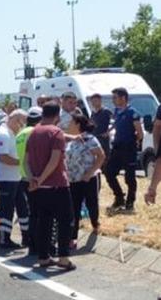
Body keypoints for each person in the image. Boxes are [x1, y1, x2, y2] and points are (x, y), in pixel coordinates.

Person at [26, 102, 75, 270]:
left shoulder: (33, 133)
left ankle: (43, 256)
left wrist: (33, 178)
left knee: (44, 222)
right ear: (57, 116)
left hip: (39, 188)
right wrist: (41, 179)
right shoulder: (56, 133)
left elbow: (26, 160)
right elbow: (54, 161)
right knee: (65, 221)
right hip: (57, 185)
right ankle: (63, 257)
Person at [65, 113, 105, 248]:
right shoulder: (70, 140)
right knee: (73, 209)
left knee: (91, 203)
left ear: (77, 124)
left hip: (88, 179)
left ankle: (95, 223)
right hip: (73, 179)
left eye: (71, 122)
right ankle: (72, 237)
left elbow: (101, 156)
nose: (68, 125)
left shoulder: (90, 139)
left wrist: (90, 173)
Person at [0, 109, 29, 249]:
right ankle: (3, 239)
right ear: (15, 120)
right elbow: (3, 157)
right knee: (7, 210)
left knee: (22, 207)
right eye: (21, 123)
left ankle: (27, 236)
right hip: (5, 178)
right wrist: (23, 163)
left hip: (14, 177)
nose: (22, 127)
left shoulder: (10, 133)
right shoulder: (3, 134)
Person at [104, 87, 143, 211]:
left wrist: (133, 142)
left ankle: (130, 203)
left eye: (115, 97)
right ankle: (119, 197)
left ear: (123, 98)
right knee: (109, 172)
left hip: (128, 148)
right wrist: (109, 131)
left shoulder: (133, 113)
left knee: (129, 177)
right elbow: (116, 123)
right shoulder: (117, 111)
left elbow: (140, 133)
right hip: (117, 147)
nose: (113, 100)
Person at [15, 107, 43, 252]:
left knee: (31, 211)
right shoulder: (34, 133)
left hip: (21, 176)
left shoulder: (20, 133)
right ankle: (35, 243)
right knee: (38, 212)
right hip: (32, 176)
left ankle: (29, 241)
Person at [89, 92, 113, 160]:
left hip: (103, 138)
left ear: (100, 101)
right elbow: (90, 123)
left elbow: (116, 122)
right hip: (94, 137)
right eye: (92, 102)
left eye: (95, 101)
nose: (93, 103)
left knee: (104, 157)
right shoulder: (93, 113)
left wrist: (108, 132)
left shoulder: (106, 111)